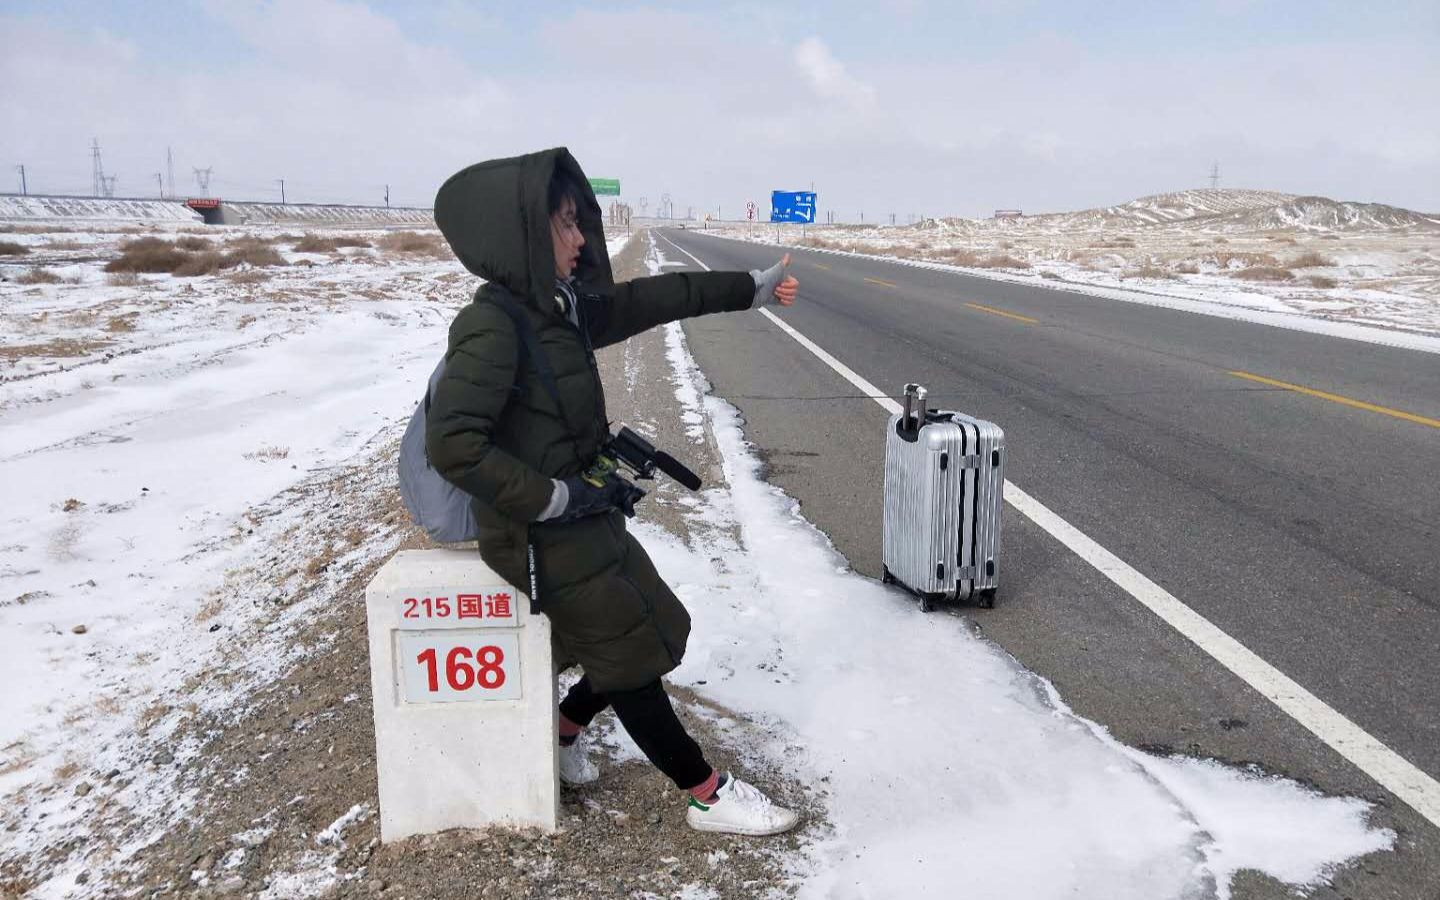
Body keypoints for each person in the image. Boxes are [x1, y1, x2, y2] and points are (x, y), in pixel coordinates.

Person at [428, 148, 800, 836]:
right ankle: (706, 795)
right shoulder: (493, 326)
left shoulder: (558, 309)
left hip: (580, 511)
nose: (580, 240)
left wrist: (747, 289)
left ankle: (565, 729)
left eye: (579, 223)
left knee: (658, 626)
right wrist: (549, 499)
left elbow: (654, 299)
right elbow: (453, 445)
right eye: (564, 226)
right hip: (536, 528)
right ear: (522, 237)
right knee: (629, 657)